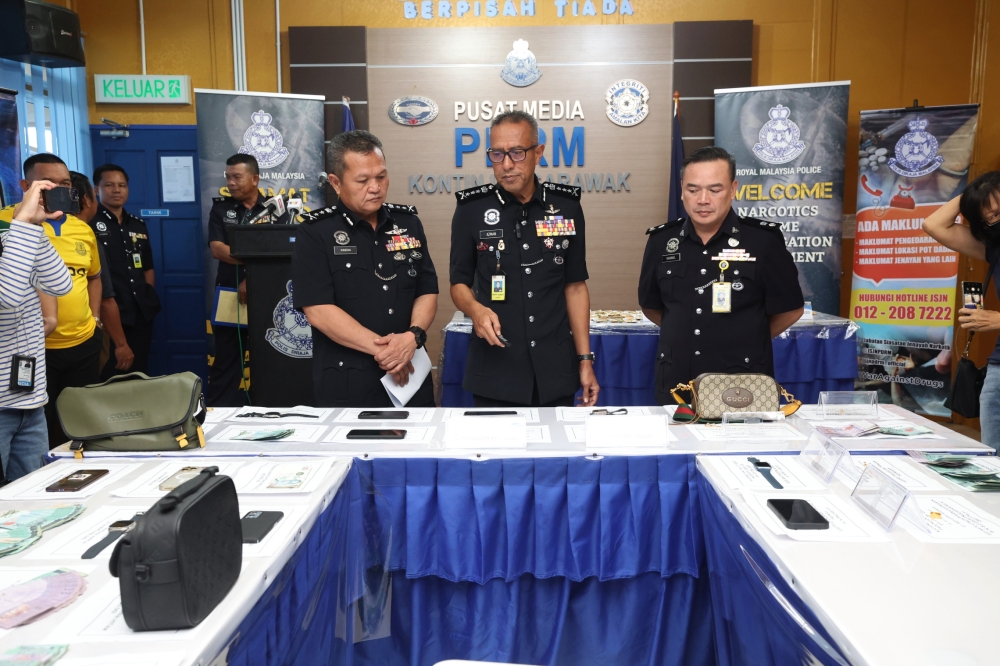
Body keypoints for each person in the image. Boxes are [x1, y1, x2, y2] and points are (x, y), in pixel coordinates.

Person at [449, 110, 599, 407]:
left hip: (554, 370)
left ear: (538, 152)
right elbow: (458, 284)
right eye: (497, 154)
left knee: (558, 452)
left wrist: (585, 360)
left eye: (517, 153)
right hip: (496, 369)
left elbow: (575, 287)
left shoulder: (566, 207)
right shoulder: (471, 210)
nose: (506, 165)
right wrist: (476, 311)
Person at [638, 146, 804, 404]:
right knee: (676, 443)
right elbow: (651, 306)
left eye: (715, 190)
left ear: (733, 188)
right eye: (693, 190)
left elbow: (790, 309)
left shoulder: (762, 241)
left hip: (743, 381)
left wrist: (748, 336)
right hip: (677, 381)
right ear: (682, 190)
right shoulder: (662, 241)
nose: (703, 199)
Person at [292, 130, 438, 407]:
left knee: (416, 448)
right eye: (363, 180)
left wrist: (413, 336)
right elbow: (319, 310)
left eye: (381, 176)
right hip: (348, 381)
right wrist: (389, 353)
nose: (376, 187)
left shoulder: (408, 223)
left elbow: (427, 289)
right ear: (336, 182)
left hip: (410, 375)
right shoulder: (315, 232)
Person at [0, 181, 73, 479]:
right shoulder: (16, 237)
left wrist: (35, 228)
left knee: (30, 499)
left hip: (30, 403)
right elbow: (8, 296)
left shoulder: (11, 241)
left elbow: (60, 284)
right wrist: (22, 225)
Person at [923, 171, 1000, 451]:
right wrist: (976, 189)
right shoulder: (994, 248)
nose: (995, 219)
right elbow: (934, 224)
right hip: (998, 369)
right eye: (989, 217)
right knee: (993, 463)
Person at [206, 154, 289, 406]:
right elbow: (218, 249)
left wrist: (252, 277)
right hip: (230, 294)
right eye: (228, 177)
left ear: (254, 179)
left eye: (237, 177)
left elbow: (283, 249)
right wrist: (253, 263)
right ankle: (220, 410)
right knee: (227, 356)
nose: (231, 183)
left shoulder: (276, 210)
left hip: (269, 295)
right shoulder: (221, 209)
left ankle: (270, 404)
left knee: (271, 354)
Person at [89, 164, 159, 378]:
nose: (116, 190)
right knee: (111, 373)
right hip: (109, 312)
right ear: (96, 190)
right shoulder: (90, 224)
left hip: (139, 312)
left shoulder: (137, 224)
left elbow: (147, 266)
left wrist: (147, 293)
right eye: (109, 185)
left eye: (122, 185)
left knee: (139, 372)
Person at [71, 171, 131, 377]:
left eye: (122, 185)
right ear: (88, 199)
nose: (116, 190)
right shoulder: (87, 235)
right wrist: (120, 343)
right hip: (85, 333)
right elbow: (105, 298)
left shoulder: (39, 232)